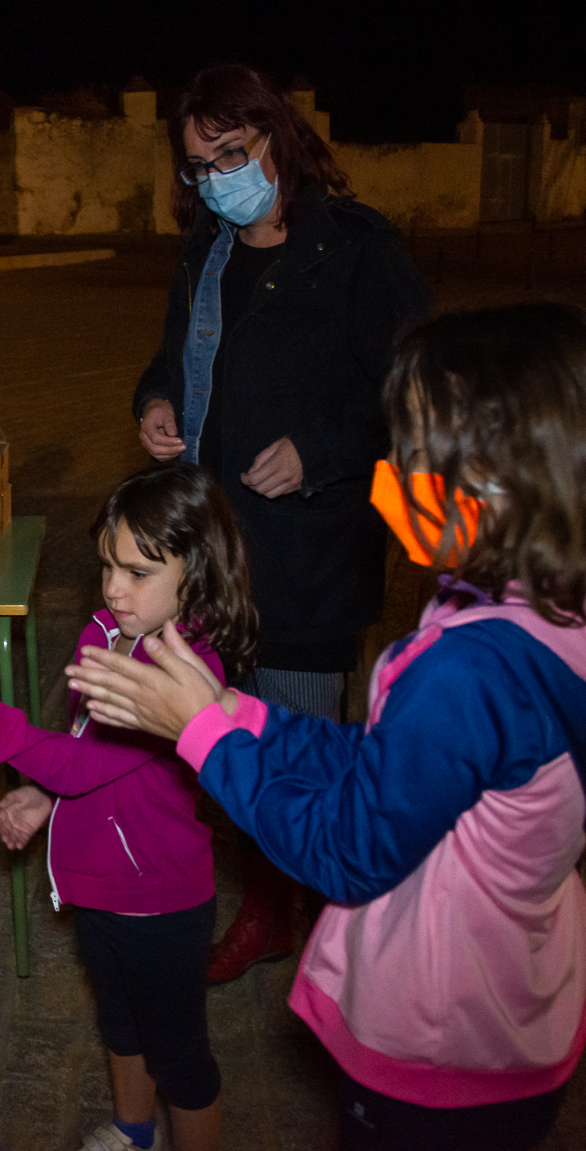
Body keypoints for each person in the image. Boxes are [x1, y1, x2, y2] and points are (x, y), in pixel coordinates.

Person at [70, 303, 586, 1150]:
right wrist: (242, 716)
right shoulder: (559, 622)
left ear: (508, 481)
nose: (389, 476)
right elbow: (391, 764)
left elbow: (345, 847)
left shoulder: (473, 668)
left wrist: (201, 737)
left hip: (441, 1046)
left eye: (415, 456)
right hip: (518, 1004)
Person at [132, 62, 432, 984]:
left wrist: (323, 450)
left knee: (298, 755)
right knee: (223, 730)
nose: (218, 175)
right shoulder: (208, 250)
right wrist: (154, 399)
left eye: (233, 151)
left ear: (279, 138)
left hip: (311, 557)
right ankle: (271, 902)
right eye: (199, 163)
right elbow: (174, 352)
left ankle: (314, 912)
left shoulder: (356, 249)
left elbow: (413, 391)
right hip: (216, 550)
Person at [0, 462, 258, 1151]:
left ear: (196, 571)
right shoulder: (103, 631)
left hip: (159, 900)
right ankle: (133, 1131)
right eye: (106, 567)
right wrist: (43, 796)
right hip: (95, 881)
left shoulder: (188, 676)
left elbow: (95, 761)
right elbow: (86, 745)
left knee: (179, 1055)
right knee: (120, 1025)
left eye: (138, 572)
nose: (114, 589)